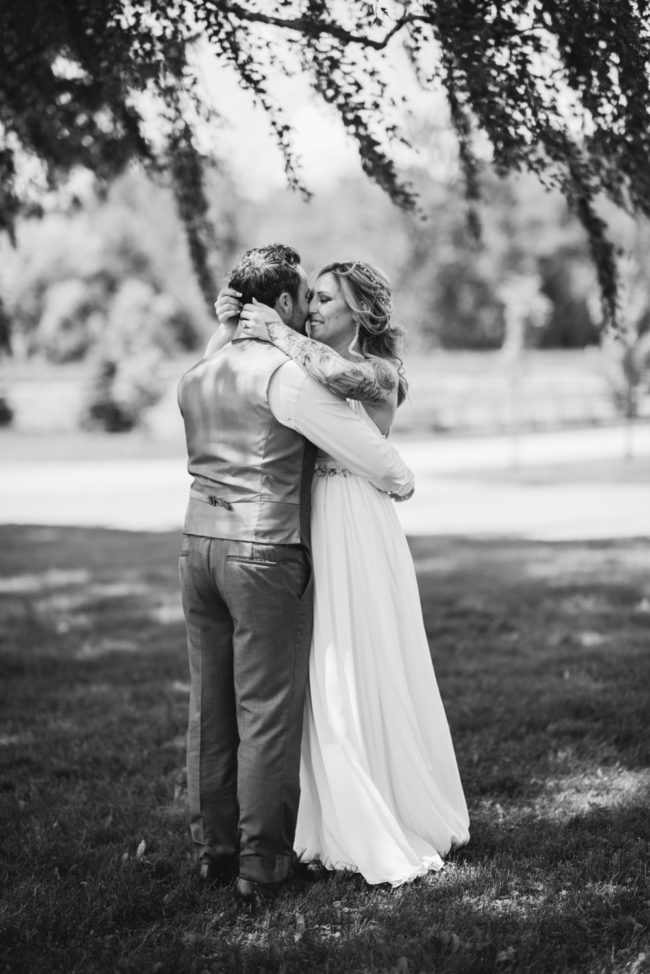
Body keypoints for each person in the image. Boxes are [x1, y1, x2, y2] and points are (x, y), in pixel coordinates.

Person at [215, 259, 470, 887]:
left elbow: (336, 374)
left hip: (356, 520)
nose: (314, 308)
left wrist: (278, 330)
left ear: (360, 312)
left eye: (328, 299)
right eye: (314, 298)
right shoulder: (296, 361)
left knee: (358, 658)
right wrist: (233, 329)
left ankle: (382, 808)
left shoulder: (381, 372)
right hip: (309, 521)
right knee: (317, 667)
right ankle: (323, 816)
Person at [177, 245, 414, 905]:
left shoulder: (199, 373)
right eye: (305, 296)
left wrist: (226, 329)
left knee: (209, 711)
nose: (309, 308)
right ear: (282, 302)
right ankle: (261, 867)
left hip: (196, 547)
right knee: (266, 713)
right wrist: (402, 479)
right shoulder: (285, 377)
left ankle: (214, 854)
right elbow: (367, 451)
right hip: (261, 551)